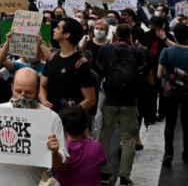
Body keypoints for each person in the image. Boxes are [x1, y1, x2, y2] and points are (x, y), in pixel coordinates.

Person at [0, 68, 69, 186]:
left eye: (28, 93)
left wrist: (54, 153)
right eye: (18, 91)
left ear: (38, 91)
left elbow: (63, 167)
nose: (22, 97)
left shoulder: (51, 118)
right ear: (12, 87)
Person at [96, 24, 145, 185]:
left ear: (115, 34)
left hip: (108, 99)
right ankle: (124, 175)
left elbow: (100, 66)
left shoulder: (105, 49)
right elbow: (141, 68)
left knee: (105, 136)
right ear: (130, 35)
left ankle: (105, 173)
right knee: (128, 138)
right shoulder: (137, 52)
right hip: (129, 101)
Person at [39, 18, 97, 113]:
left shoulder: (81, 64)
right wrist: (43, 101)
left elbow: (90, 100)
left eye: (58, 28)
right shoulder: (52, 58)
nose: (54, 29)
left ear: (66, 34)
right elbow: (42, 86)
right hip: (51, 117)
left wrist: (70, 113)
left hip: (70, 123)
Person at [158, 22, 188, 166]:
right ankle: (186, 151)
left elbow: (159, 74)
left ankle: (168, 152)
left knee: (170, 123)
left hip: (171, 93)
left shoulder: (167, 52)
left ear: (174, 35)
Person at [54, 105, 107, 186]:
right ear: (85, 125)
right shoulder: (96, 147)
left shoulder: (59, 150)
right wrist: (89, 139)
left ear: (63, 128)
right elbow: (103, 161)